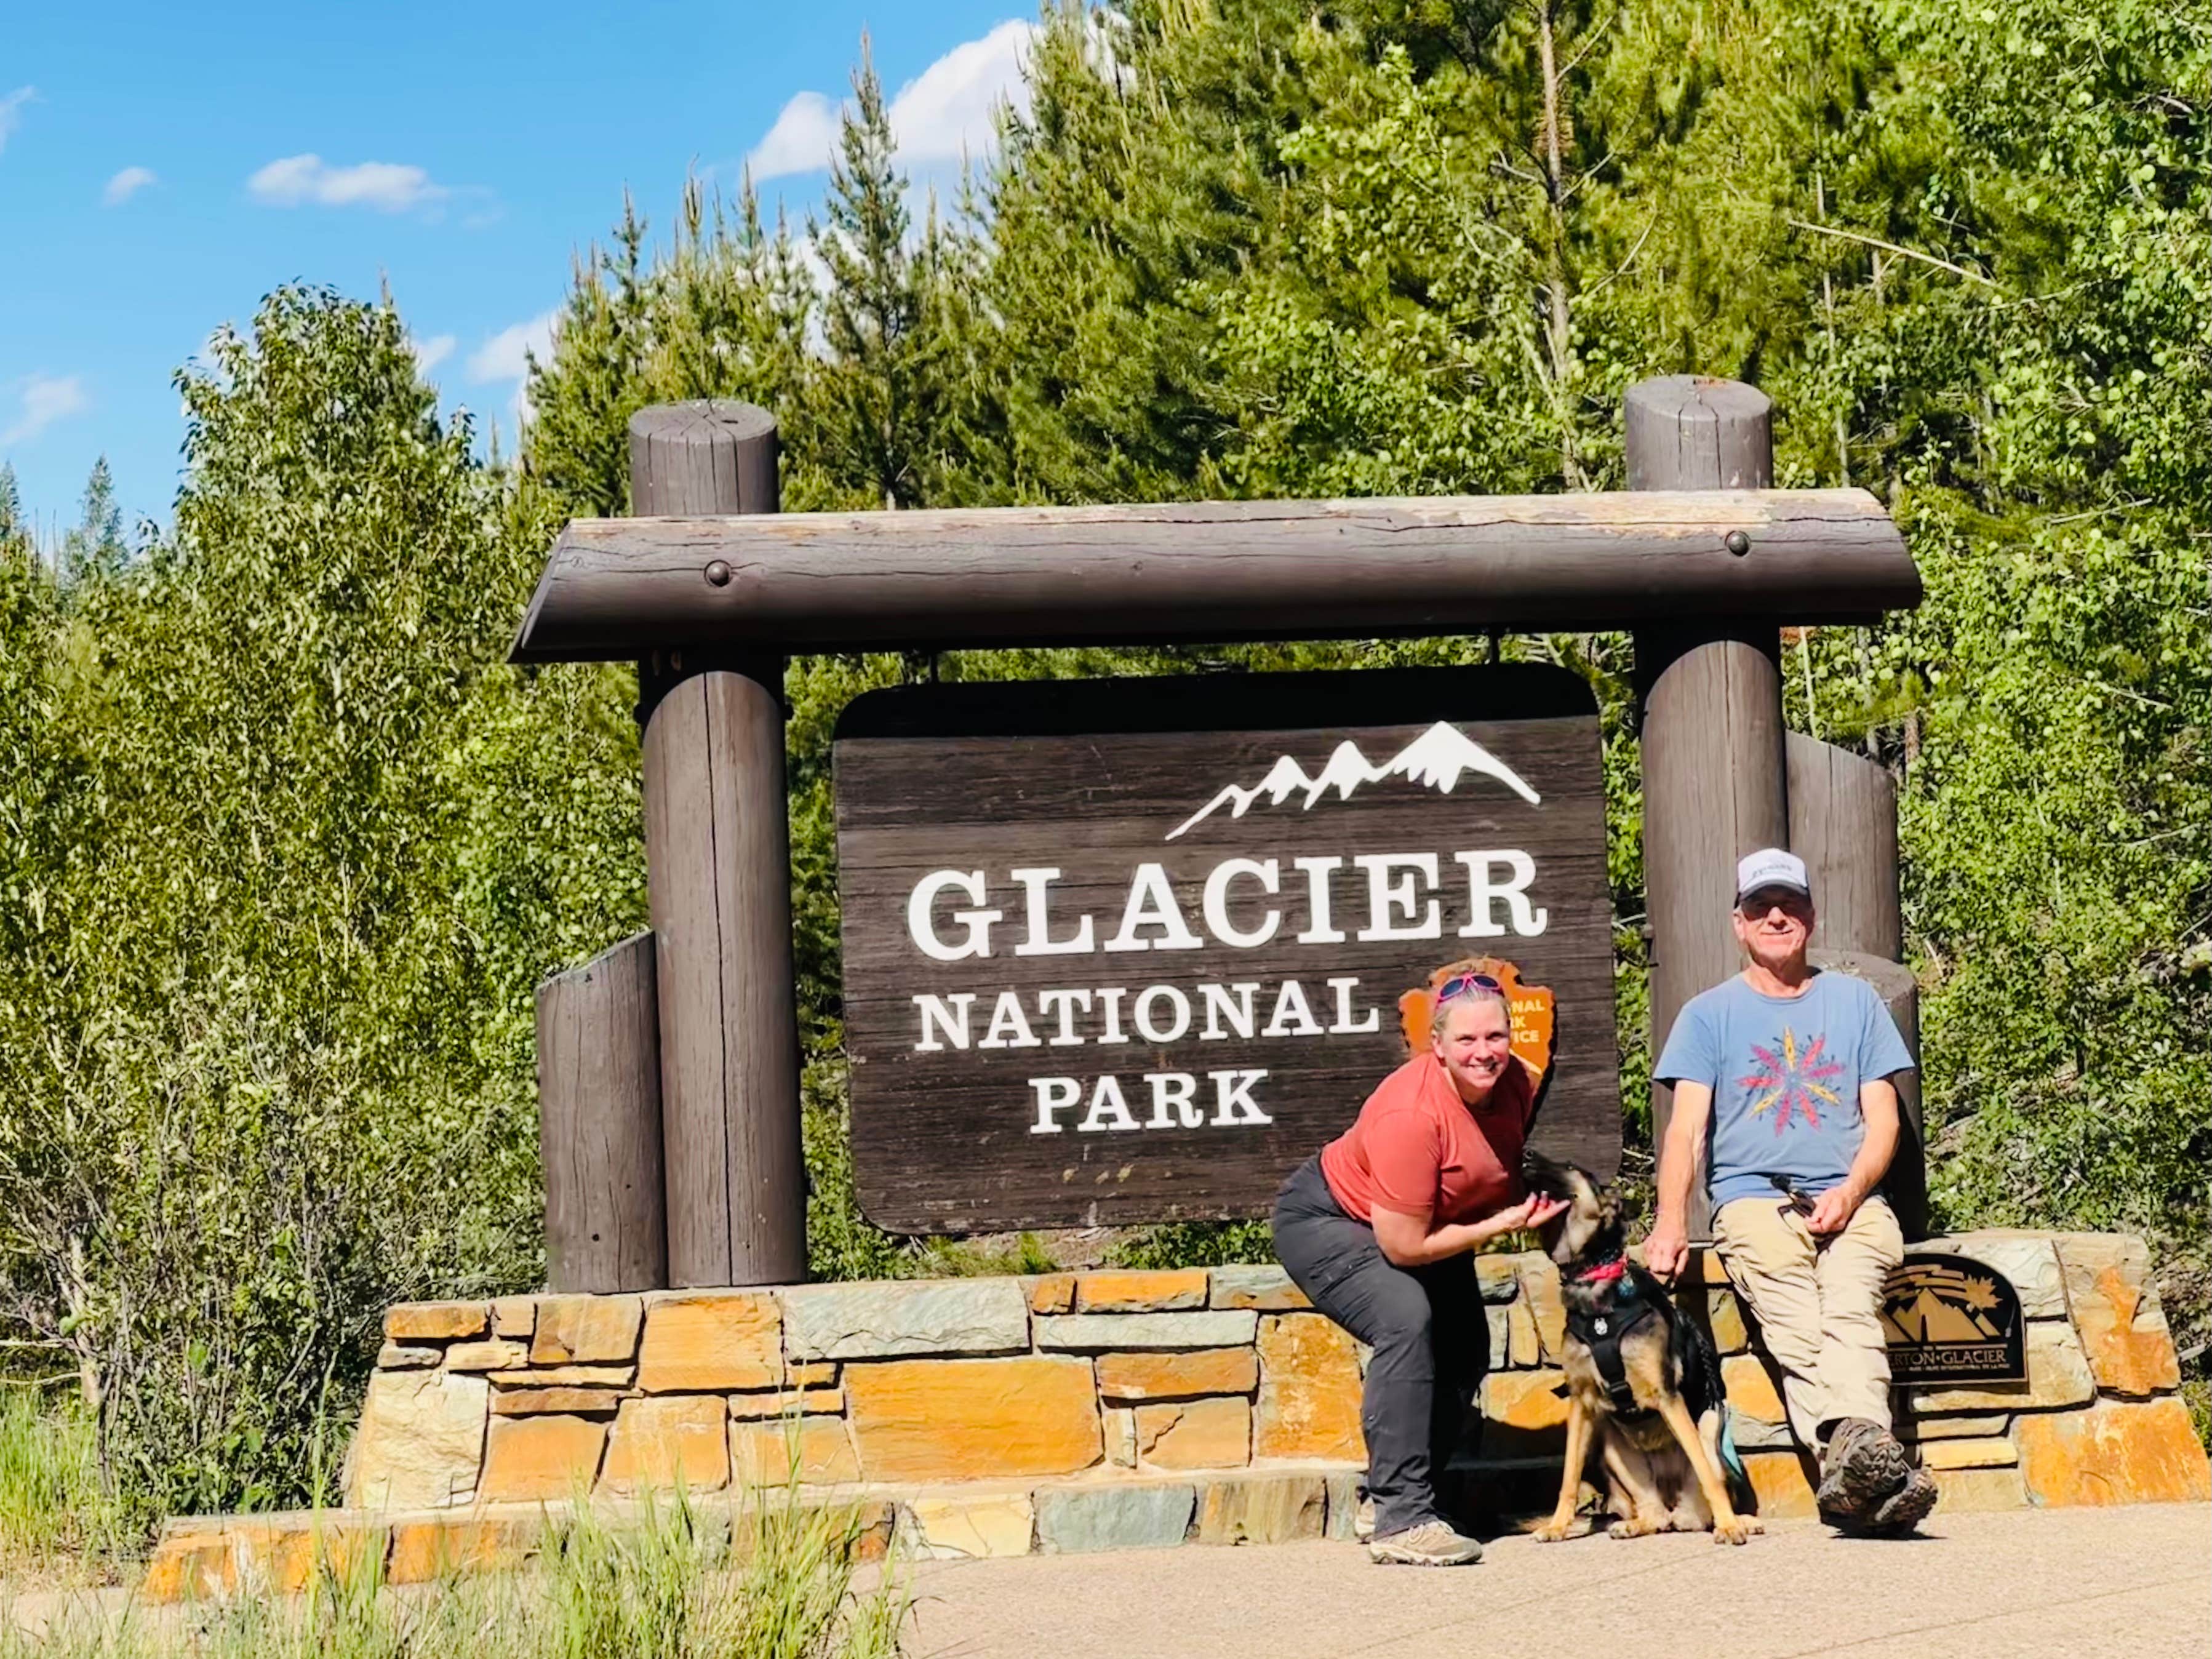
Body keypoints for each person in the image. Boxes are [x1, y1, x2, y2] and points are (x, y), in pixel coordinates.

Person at [1644, 848, 1938, 1534]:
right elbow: (1685, 1130)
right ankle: (1870, 1457)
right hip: (1752, 1199)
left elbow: (1883, 1118)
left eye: (1790, 904)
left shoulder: (1854, 1001)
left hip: (1853, 1197)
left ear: (1810, 914)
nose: (1776, 915)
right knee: (1794, 1313)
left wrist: (1851, 1189)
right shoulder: (1707, 1014)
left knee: (1849, 1303)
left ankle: (1854, 1474)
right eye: (1760, 906)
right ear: (1738, 923)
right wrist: (1667, 1222)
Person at [1273, 970, 1568, 1567]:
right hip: (1330, 1221)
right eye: (1465, 1040)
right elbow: (1405, 1246)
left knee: (1465, 1346)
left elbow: (1492, 1168)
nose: (1483, 1051)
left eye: (1495, 1035)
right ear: (1436, 1044)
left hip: (1430, 1222)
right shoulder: (1408, 1114)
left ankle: (1395, 1496)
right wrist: (1496, 1227)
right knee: (1408, 1319)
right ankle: (1401, 1518)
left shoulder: (1513, 1081)